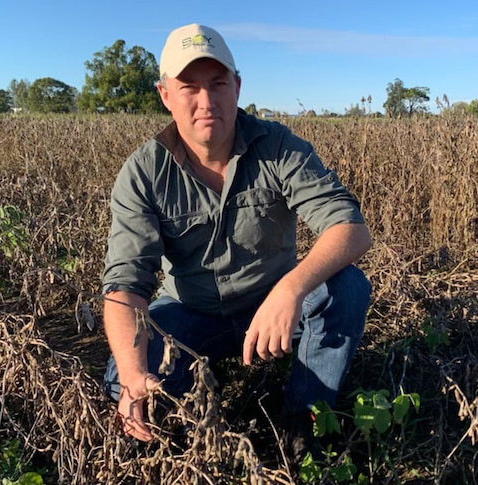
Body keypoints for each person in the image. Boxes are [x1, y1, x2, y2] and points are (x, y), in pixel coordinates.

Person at [101, 23, 372, 459]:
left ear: (238, 86)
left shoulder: (279, 146)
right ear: (165, 95)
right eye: (189, 87)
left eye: (218, 84)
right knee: (126, 377)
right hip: (189, 313)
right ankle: (191, 437)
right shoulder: (144, 171)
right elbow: (125, 286)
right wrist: (135, 374)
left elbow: (350, 227)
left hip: (273, 306)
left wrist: (289, 289)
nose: (206, 102)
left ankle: (303, 418)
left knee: (347, 288)